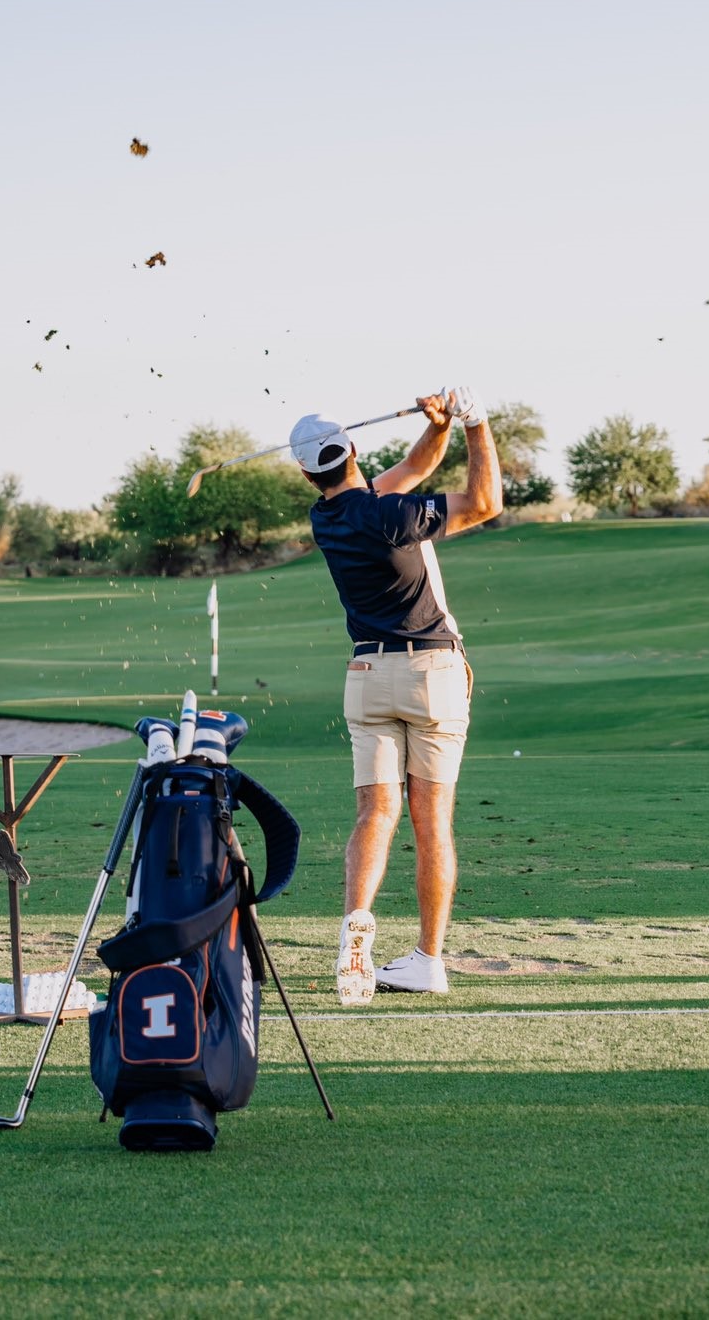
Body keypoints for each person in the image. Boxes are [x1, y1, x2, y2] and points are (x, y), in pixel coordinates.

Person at [292, 389, 503, 1005]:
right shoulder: (393, 516)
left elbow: (409, 471)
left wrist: (436, 430)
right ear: (353, 448)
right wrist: (475, 424)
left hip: (367, 677)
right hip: (432, 673)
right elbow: (485, 502)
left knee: (374, 813)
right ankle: (428, 961)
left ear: (308, 472)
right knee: (431, 819)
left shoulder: (327, 517)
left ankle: (356, 934)